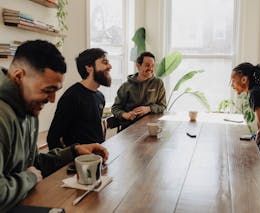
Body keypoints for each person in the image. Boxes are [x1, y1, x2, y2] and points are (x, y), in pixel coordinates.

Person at [0, 40, 109, 212]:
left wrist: (74, 151)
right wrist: (29, 178)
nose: (52, 100)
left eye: (55, 91)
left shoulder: (28, 110)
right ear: (19, 76)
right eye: (47, 90)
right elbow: (30, 174)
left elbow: (34, 163)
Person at [47, 48, 112, 149]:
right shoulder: (71, 97)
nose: (110, 66)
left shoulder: (100, 97)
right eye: (105, 62)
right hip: (80, 162)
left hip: (98, 157)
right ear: (89, 67)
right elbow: (53, 138)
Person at [111, 51, 166, 130]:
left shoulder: (158, 83)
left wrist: (148, 109)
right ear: (138, 65)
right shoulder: (125, 86)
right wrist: (125, 114)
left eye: (152, 66)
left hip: (151, 127)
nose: (150, 68)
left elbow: (162, 106)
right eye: (147, 65)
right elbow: (115, 108)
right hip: (129, 129)